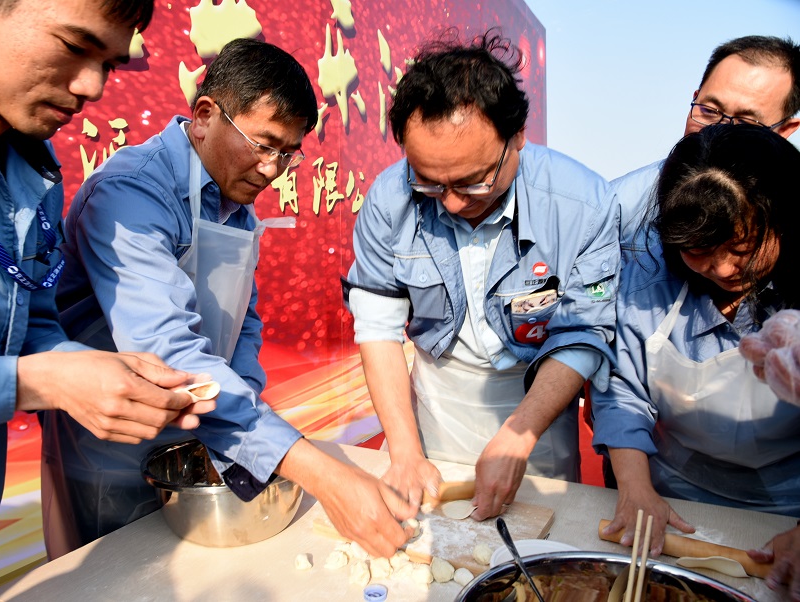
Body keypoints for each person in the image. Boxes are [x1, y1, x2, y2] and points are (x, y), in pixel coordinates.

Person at [41, 37, 414, 560]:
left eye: (287, 153)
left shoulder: (234, 203)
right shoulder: (130, 193)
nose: (271, 169)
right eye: (263, 144)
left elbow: (242, 323)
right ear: (204, 115)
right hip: (111, 451)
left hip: (204, 430)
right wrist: (320, 473)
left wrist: (247, 424)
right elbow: (168, 355)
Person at [0, 1, 213, 600]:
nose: (92, 86)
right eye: (74, 46)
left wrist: (91, 367)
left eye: (110, 64)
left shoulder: (32, 169)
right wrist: (37, 384)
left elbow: (33, 321)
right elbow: (28, 372)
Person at [342, 29, 619, 521]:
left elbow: (584, 333)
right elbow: (378, 327)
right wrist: (405, 452)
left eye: (473, 182)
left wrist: (519, 434)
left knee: (539, 533)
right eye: (430, 183)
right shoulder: (389, 199)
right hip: (438, 399)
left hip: (536, 402)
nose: (450, 203)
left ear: (518, 138)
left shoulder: (583, 204)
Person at [591, 124, 800, 599]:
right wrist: (636, 488)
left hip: (787, 508)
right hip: (674, 499)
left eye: (742, 250)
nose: (723, 269)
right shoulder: (648, 283)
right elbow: (622, 390)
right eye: (698, 252)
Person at [616, 35, 800, 262]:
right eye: (709, 111)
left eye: (746, 122)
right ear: (695, 98)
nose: (717, 130)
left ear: (784, 131)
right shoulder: (616, 211)